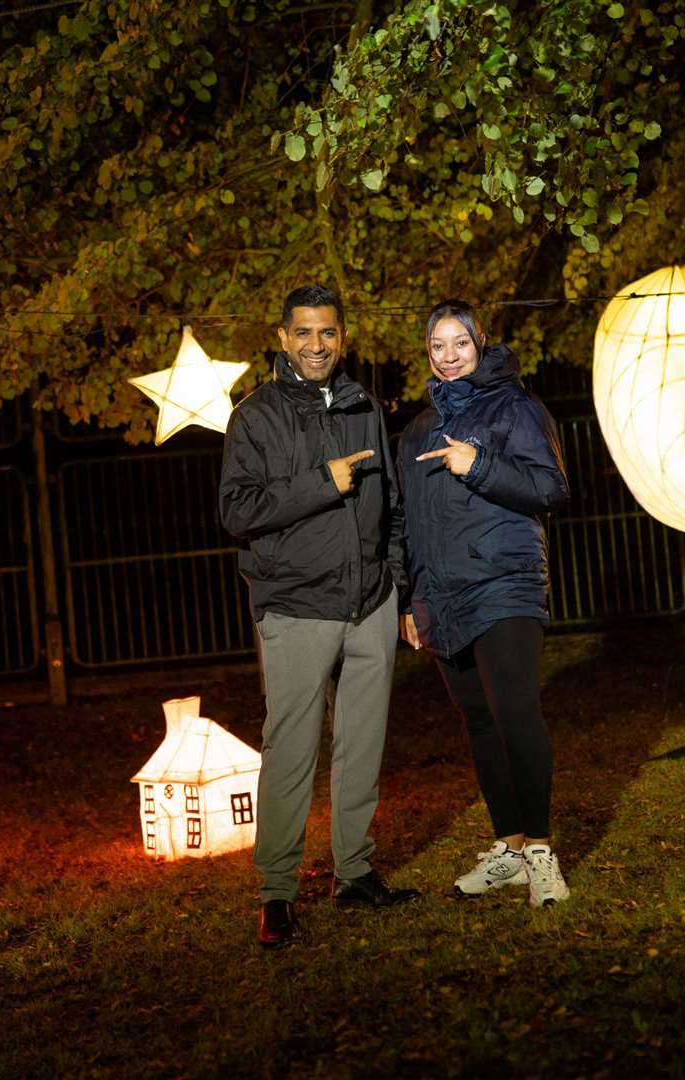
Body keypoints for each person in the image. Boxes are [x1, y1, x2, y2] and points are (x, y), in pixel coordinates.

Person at [220, 283, 418, 948]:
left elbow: (389, 504)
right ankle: (275, 891)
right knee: (292, 749)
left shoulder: (364, 406)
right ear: (282, 339)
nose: (315, 345)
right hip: (297, 604)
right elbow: (237, 511)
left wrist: (394, 582)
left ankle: (354, 871)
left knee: (361, 743)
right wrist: (318, 484)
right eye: (302, 333)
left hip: (369, 603)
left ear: (342, 336)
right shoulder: (256, 415)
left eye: (326, 333)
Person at [396, 299, 572, 906]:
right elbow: (410, 521)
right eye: (438, 346)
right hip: (443, 596)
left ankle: (543, 852)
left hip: (504, 582)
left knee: (515, 712)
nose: (449, 356)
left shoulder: (515, 406)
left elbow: (550, 487)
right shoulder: (418, 430)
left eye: (459, 344)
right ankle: (510, 847)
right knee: (478, 722)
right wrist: (411, 599)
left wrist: (479, 465)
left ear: (480, 342)